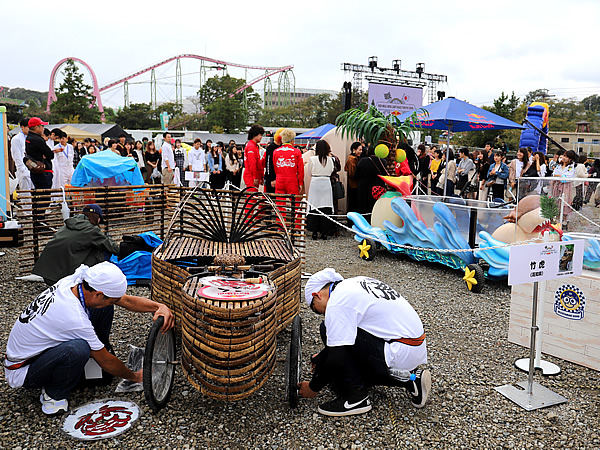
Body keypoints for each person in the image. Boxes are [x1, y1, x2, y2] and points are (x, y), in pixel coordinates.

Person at [3, 261, 174, 415]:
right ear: (99, 293)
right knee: (78, 349)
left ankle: (92, 358)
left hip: (39, 351)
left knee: (103, 308)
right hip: (24, 369)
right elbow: (107, 361)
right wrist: (136, 377)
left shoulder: (76, 282)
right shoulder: (74, 317)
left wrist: (159, 306)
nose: (114, 301)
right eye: (110, 298)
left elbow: (125, 300)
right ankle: (53, 394)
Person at [298, 268, 430, 417]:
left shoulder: (337, 302)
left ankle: (356, 397)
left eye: (317, 310)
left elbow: (337, 358)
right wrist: (322, 358)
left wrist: (312, 387)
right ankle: (410, 379)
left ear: (317, 295)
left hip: (398, 350)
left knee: (327, 329)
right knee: (337, 378)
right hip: (412, 346)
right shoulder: (354, 283)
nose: (322, 314)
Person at [32, 204, 120, 286]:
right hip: (61, 279)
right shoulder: (91, 230)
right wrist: (108, 238)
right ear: (96, 217)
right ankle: (94, 279)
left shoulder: (71, 223)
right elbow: (114, 249)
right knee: (102, 251)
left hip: (47, 274)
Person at [307, 140, 336, 240]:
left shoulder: (312, 159)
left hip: (315, 182)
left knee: (314, 206)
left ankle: (314, 231)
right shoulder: (331, 160)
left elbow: (309, 172)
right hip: (326, 183)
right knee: (326, 206)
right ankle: (324, 232)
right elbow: (332, 171)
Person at [356, 145, 388, 217]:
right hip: (378, 187)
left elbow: (356, 174)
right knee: (376, 205)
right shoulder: (383, 162)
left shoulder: (363, 161)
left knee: (363, 206)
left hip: (364, 187)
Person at [272, 128, 304, 195]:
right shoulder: (297, 152)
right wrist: (300, 182)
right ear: (292, 140)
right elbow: (300, 169)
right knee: (294, 202)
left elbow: (275, 166)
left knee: (279, 201)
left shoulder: (276, 151)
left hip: (279, 179)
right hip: (292, 180)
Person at [25, 117, 54, 189]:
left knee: (38, 194)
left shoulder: (29, 138)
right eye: (42, 126)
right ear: (36, 127)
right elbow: (50, 154)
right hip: (43, 172)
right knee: (44, 196)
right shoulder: (37, 139)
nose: (43, 128)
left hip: (35, 170)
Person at [11, 118, 34, 191]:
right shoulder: (16, 139)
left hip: (32, 169)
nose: (29, 129)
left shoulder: (31, 138)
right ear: (22, 127)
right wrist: (22, 170)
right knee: (25, 192)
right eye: (28, 127)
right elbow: (16, 156)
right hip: (23, 170)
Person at [243, 124, 264, 191]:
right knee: (252, 197)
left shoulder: (253, 145)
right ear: (255, 135)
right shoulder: (251, 146)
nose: (261, 137)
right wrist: (255, 177)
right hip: (251, 175)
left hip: (252, 174)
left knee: (252, 196)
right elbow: (252, 163)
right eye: (260, 135)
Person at [263, 128, 283, 193]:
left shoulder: (282, 146)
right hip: (271, 177)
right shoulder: (271, 147)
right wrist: (272, 178)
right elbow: (268, 163)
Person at [344, 142, 362, 215]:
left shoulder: (354, 159)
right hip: (354, 185)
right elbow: (352, 173)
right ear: (354, 150)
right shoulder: (352, 160)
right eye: (359, 150)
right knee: (353, 204)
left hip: (353, 185)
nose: (361, 151)